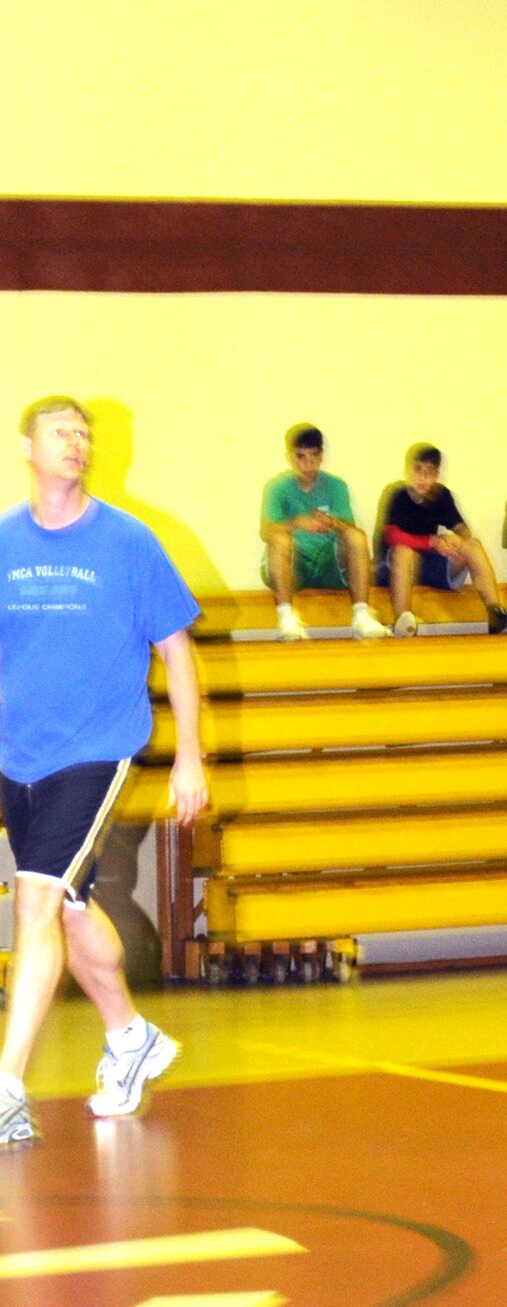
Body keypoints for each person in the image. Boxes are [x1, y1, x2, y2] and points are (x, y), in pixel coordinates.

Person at [0, 397, 210, 1145]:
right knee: (69, 908)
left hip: (97, 749)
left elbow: (178, 651)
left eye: (83, 433)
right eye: (61, 431)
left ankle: (6, 1091)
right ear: (27, 446)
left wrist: (189, 755)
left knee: (32, 902)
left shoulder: (128, 542)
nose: (77, 442)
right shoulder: (4, 543)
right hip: (17, 757)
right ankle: (130, 1037)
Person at [261, 424, 390, 641]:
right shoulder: (276, 487)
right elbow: (265, 531)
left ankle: (361, 617)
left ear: (321, 456)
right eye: (300, 457)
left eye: (314, 457)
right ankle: (286, 619)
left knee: (356, 536)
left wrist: (332, 523)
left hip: (330, 560)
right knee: (279, 540)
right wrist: (297, 522)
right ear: (289, 457)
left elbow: (350, 527)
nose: (308, 464)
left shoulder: (336, 485)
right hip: (294, 562)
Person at [379, 445, 507, 637]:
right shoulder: (396, 494)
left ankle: (496, 613)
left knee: (473, 545)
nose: (422, 477)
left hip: (431, 564)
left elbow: (464, 530)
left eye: (429, 472)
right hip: (399, 566)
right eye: (418, 470)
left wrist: (456, 540)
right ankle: (403, 619)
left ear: (436, 476)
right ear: (406, 471)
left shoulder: (441, 495)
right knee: (403, 551)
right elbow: (392, 536)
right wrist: (431, 542)